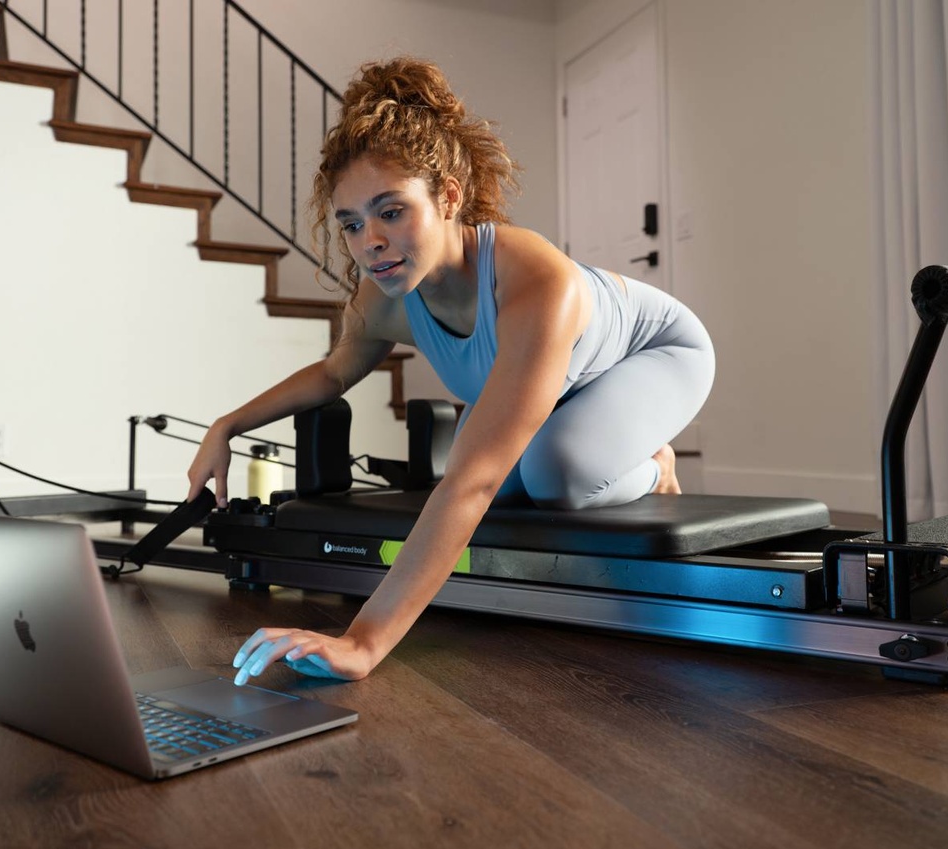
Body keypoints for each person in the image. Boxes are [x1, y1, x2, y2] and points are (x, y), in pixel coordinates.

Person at [186, 57, 714, 686]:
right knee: (503, 479)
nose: (370, 241)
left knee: (553, 476)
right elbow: (332, 373)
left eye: (391, 212)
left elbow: (473, 483)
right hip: (565, 384)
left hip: (655, 353)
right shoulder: (382, 298)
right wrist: (227, 425)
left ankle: (655, 463)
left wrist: (362, 642)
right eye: (351, 223)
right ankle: (604, 443)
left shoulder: (534, 279)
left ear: (449, 197)